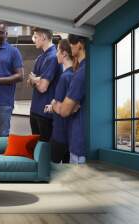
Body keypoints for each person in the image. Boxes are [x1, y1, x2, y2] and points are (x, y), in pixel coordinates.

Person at [55, 34, 87, 164]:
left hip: (78, 143)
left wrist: (55, 106)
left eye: (71, 43)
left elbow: (64, 111)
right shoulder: (82, 70)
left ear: (79, 44)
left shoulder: (80, 73)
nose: (70, 46)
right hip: (78, 139)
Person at [27, 27, 62, 142]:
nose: (34, 40)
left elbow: (42, 87)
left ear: (44, 37)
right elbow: (29, 81)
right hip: (35, 111)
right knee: (37, 151)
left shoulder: (52, 57)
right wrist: (36, 80)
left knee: (45, 152)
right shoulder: (40, 58)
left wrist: (35, 80)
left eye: (36, 37)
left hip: (45, 114)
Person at [44, 39, 75, 163]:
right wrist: (53, 106)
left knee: (49, 169)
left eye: (58, 51)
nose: (56, 54)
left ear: (64, 54)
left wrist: (53, 104)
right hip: (71, 136)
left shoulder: (64, 77)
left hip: (59, 134)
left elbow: (60, 106)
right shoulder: (75, 75)